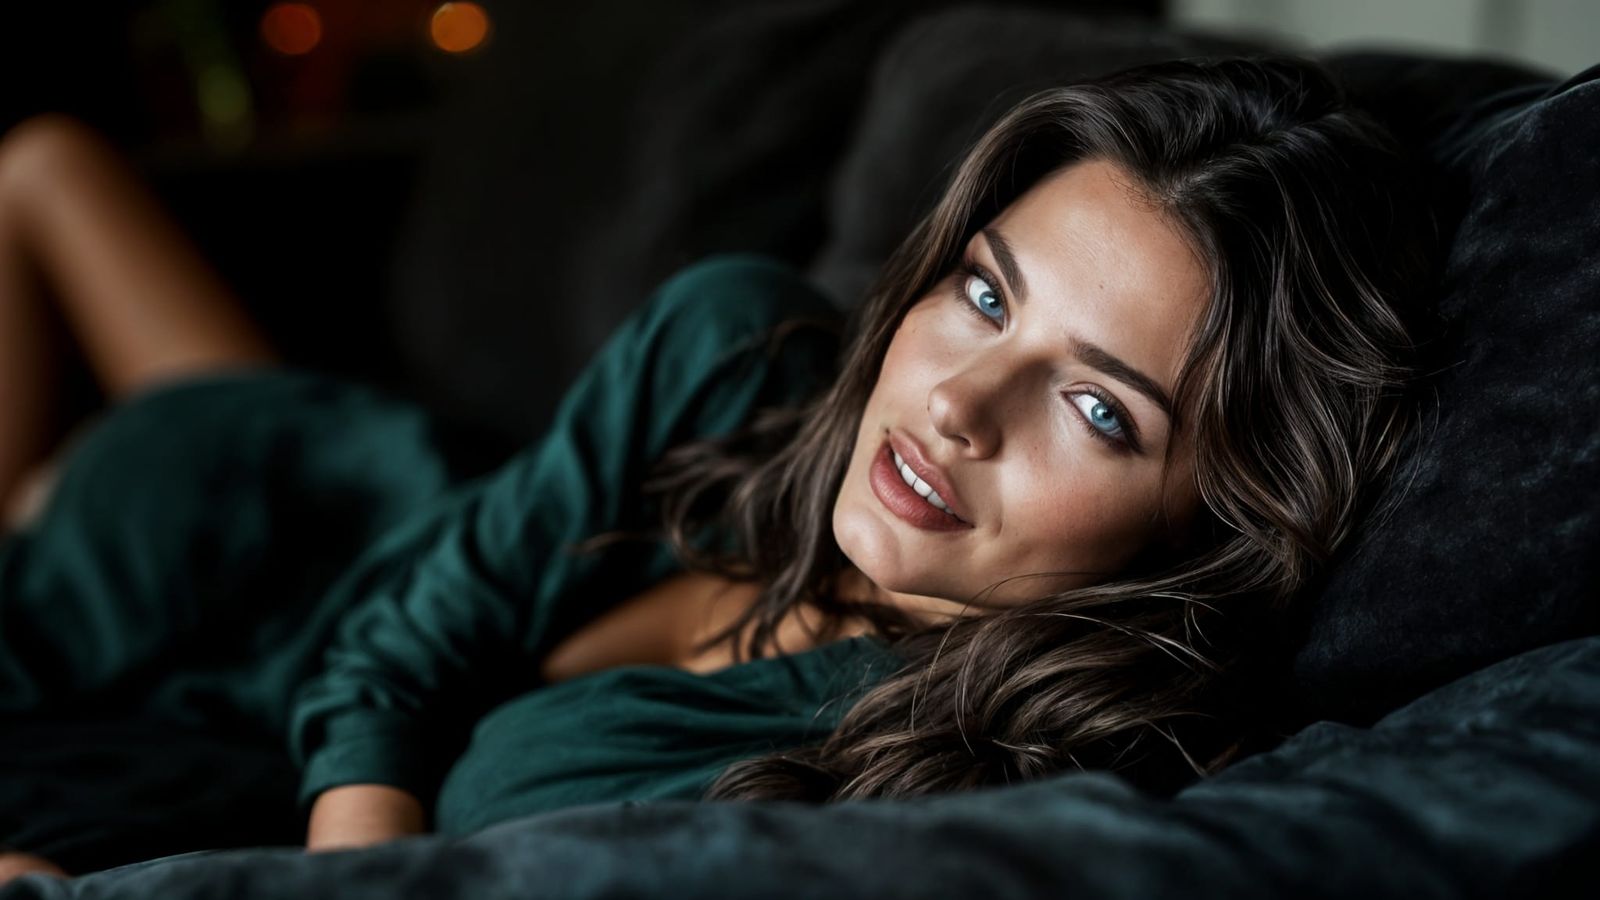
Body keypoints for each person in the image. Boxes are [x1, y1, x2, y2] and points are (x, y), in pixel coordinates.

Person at [0, 54, 1432, 881]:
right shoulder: (734, 345)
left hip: (206, 621)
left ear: (1215, 522)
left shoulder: (968, 774)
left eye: (1101, 410)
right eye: (987, 294)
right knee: (41, 162)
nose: (955, 406)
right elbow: (397, 640)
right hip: (282, 498)